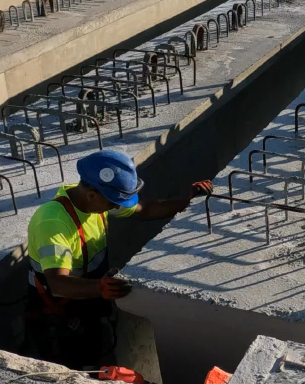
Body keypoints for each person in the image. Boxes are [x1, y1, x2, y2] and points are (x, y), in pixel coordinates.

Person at [24, 149, 210, 367]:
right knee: (71, 369)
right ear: (92, 194)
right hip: (57, 313)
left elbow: (145, 209)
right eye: (113, 201)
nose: (115, 206)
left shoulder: (93, 203)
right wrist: (101, 288)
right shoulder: (54, 224)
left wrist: (187, 202)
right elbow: (58, 284)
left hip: (86, 300)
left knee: (96, 352)